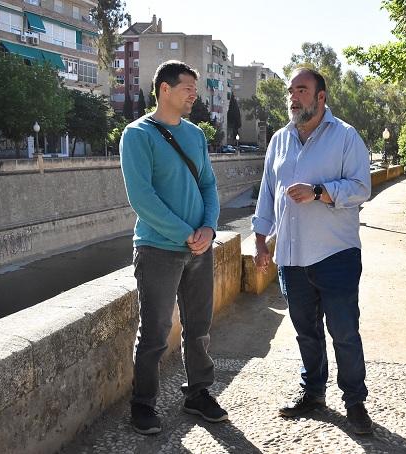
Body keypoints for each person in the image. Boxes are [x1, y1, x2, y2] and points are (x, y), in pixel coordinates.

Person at [252, 68, 373, 434]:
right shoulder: (279, 140)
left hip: (336, 255)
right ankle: (313, 393)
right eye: (291, 91)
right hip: (291, 257)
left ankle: (355, 403)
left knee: (344, 332)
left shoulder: (346, 137)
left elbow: (361, 188)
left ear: (321, 97)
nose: (293, 97)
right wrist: (260, 241)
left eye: (301, 90)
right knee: (306, 332)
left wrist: (319, 191)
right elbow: (267, 193)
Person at [120, 60, 227, 435]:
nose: (193, 95)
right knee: (155, 331)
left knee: (199, 327)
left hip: (200, 246)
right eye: (187, 89)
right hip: (158, 249)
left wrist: (210, 228)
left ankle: (198, 394)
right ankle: (142, 404)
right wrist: (187, 233)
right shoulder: (137, 135)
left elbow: (209, 186)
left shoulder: (196, 135)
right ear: (164, 89)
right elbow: (142, 199)